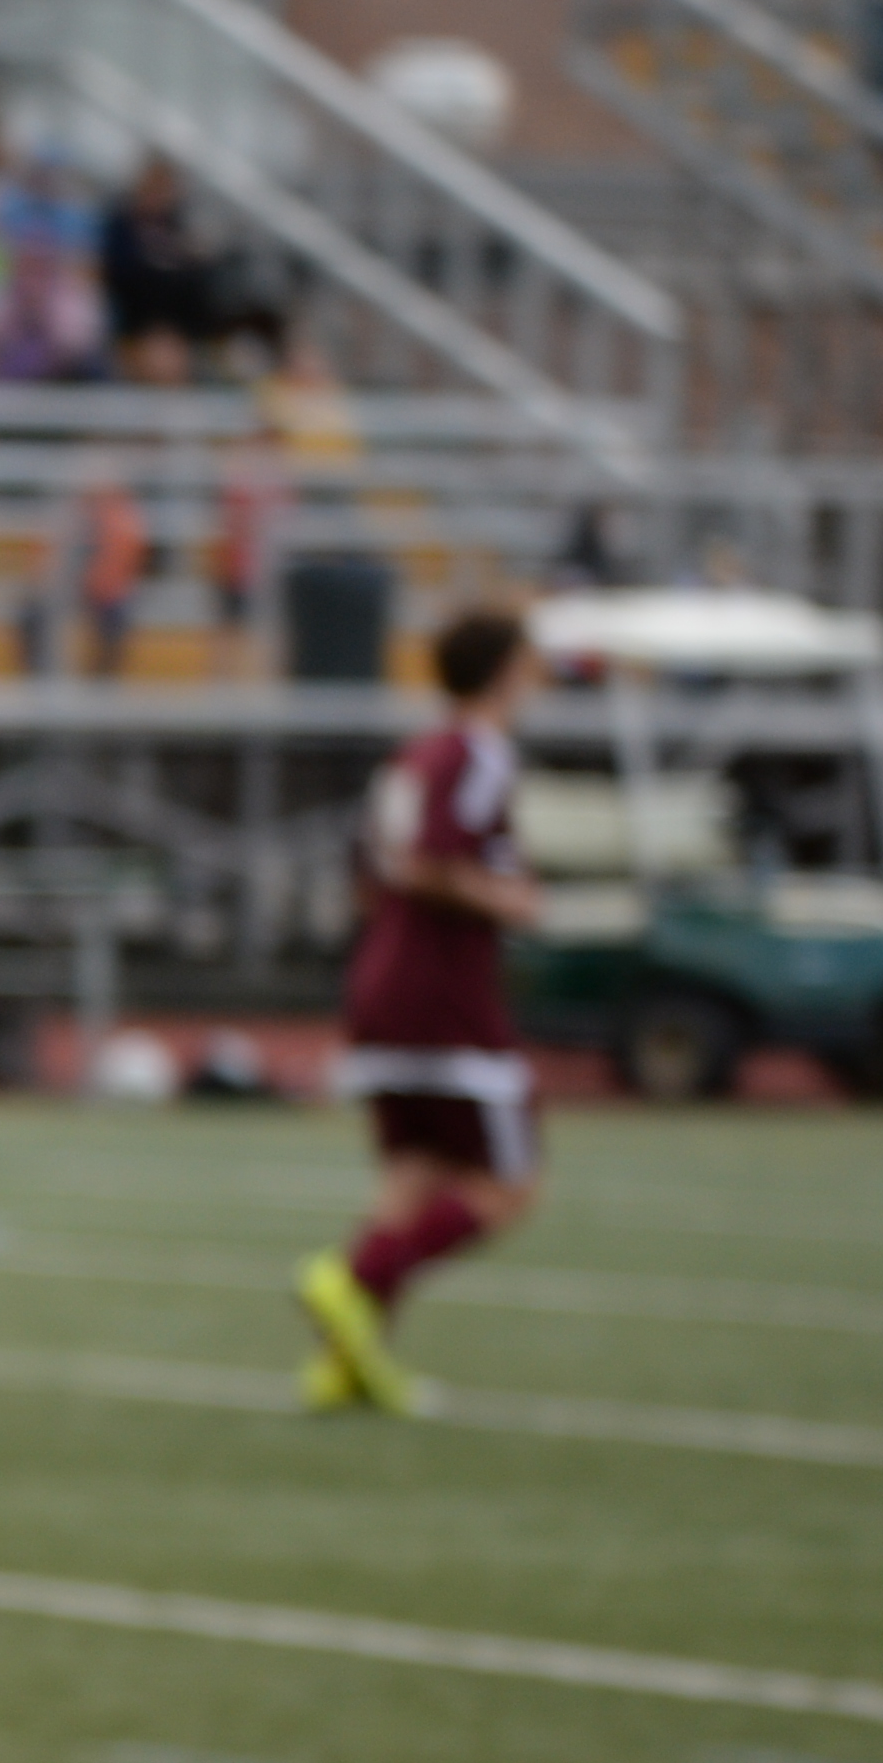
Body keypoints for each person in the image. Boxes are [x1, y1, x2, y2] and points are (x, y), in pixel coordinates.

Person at [297, 604, 545, 1417]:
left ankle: (346, 1364)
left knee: (411, 1177)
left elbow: (375, 868)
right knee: (509, 1187)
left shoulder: (415, 753)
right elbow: (433, 859)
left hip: (383, 981)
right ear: (505, 671)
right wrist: (509, 898)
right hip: (445, 994)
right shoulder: (478, 751)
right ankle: (355, 1280)